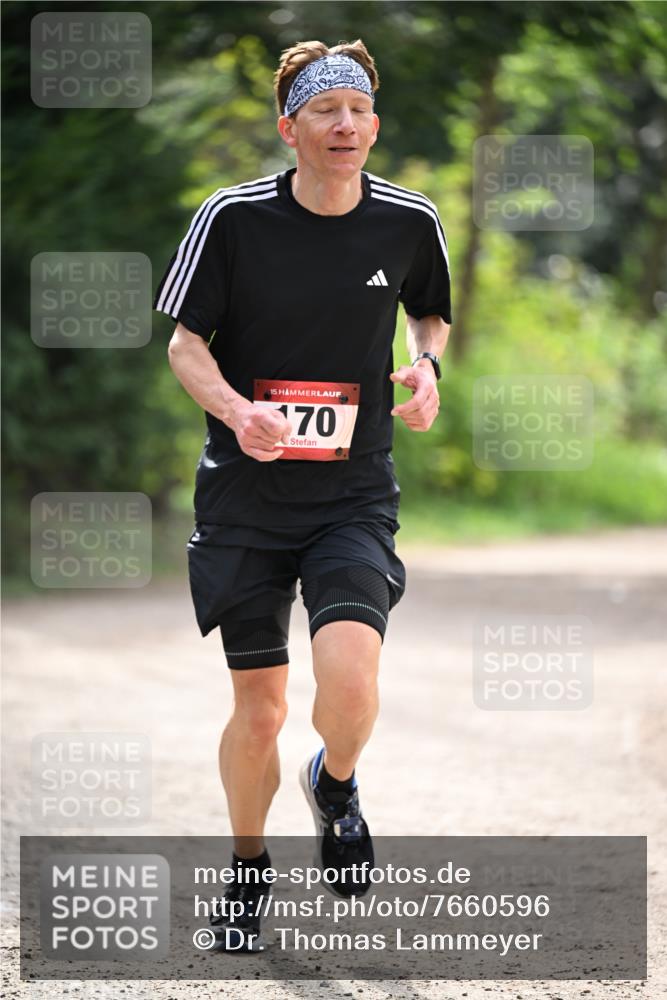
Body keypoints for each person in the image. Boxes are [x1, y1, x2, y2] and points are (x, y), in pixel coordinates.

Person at [153, 38, 451, 951]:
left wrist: (426, 367)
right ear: (291, 128)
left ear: (374, 125)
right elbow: (184, 344)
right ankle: (247, 873)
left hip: (351, 494)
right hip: (244, 496)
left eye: (358, 110)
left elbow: (429, 311)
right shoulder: (232, 219)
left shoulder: (408, 220)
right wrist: (238, 411)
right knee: (261, 710)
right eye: (325, 110)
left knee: (350, 682)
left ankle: (335, 782)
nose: (345, 125)